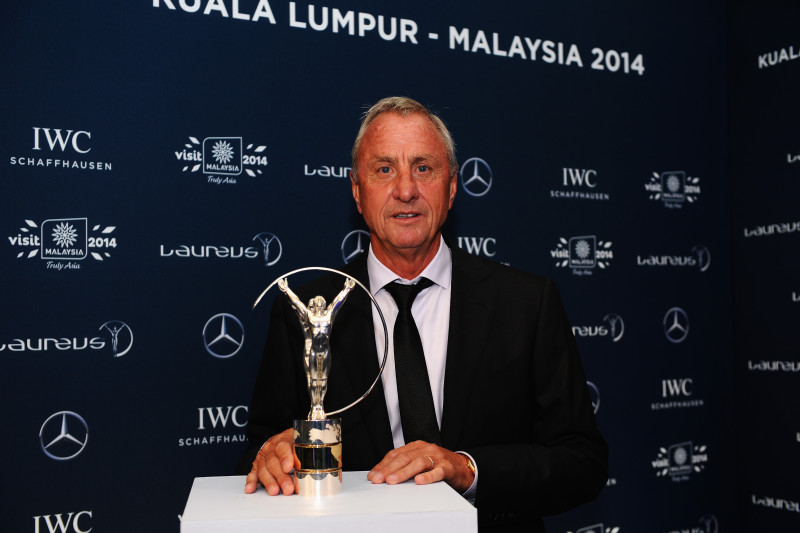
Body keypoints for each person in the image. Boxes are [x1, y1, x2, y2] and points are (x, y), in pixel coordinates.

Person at [237, 96, 608, 532]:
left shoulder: (527, 302)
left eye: (424, 168)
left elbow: (582, 462)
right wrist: (271, 457)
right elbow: (258, 452)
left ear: (451, 187)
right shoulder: (307, 310)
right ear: (357, 191)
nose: (406, 189)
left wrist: (467, 469)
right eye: (384, 169)